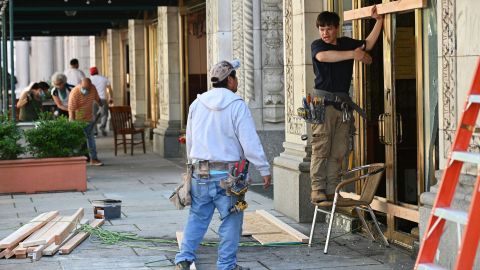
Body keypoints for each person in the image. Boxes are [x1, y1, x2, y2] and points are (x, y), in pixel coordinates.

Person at [175, 60, 272, 270]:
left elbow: (190, 139)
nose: (236, 82)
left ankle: (184, 258)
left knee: (198, 216)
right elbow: (249, 142)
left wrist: (191, 164)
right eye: (236, 78)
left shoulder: (196, 104)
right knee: (231, 219)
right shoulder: (236, 105)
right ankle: (226, 266)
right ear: (230, 80)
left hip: (199, 172)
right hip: (228, 175)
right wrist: (263, 168)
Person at [309, 8, 383, 204]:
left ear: (337, 29)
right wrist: (354, 54)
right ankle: (317, 188)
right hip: (323, 105)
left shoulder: (345, 43)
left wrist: (380, 21)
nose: (325, 33)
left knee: (339, 151)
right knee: (321, 148)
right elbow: (324, 57)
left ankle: (333, 190)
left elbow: (367, 44)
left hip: (343, 107)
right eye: (321, 29)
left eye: (329, 29)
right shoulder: (318, 46)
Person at [68, 78, 103, 166]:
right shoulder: (75, 92)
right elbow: (71, 110)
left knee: (91, 139)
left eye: (88, 88)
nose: (86, 90)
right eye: (84, 88)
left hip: (88, 119)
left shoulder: (93, 88)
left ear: (91, 86)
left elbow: (98, 99)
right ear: (80, 85)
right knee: (78, 140)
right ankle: (75, 160)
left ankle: (94, 159)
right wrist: (73, 124)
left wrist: (102, 106)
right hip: (77, 120)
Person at [89, 66, 113, 136]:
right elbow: (109, 89)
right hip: (102, 99)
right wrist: (110, 98)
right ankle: (102, 126)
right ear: (97, 71)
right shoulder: (104, 79)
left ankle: (95, 131)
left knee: (93, 115)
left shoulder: (89, 80)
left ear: (91, 73)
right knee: (104, 114)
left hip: (92, 100)